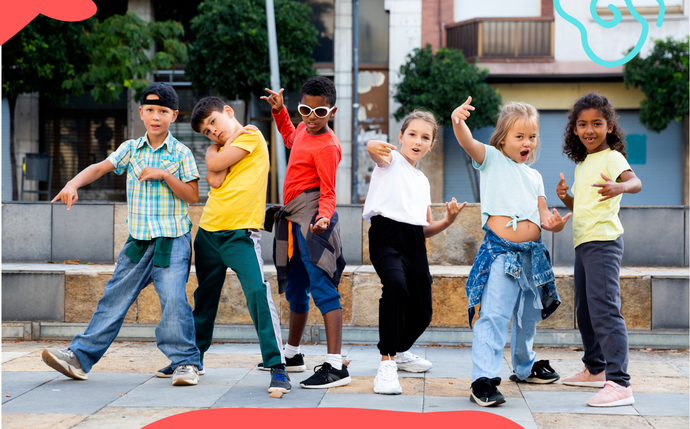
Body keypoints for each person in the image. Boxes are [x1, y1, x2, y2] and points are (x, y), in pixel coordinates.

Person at [43, 82, 202, 386]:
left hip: (172, 242)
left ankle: (185, 363)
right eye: (151, 110)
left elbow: (193, 195)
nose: (156, 116)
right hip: (138, 244)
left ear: (174, 116)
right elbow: (100, 168)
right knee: (113, 298)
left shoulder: (181, 153)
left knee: (173, 300)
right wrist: (73, 184)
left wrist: (166, 175)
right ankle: (79, 358)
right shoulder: (130, 149)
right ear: (141, 112)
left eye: (163, 111)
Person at [154, 96, 290, 394]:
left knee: (257, 293)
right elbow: (214, 179)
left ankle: (277, 365)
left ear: (228, 112)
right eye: (206, 131)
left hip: (240, 234)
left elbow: (215, 168)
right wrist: (216, 153)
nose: (212, 132)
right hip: (208, 232)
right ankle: (193, 358)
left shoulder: (252, 134)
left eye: (214, 122)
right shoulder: (221, 145)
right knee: (205, 298)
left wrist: (216, 157)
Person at [453, 97, 570, 407]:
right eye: (519, 136)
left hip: (533, 257)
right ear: (503, 138)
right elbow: (468, 143)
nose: (526, 143)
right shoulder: (491, 158)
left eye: (532, 137)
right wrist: (457, 121)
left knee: (526, 317)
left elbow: (544, 216)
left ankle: (524, 365)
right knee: (494, 315)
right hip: (502, 255)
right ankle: (484, 378)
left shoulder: (535, 177)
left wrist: (555, 225)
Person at [363, 111, 466, 395]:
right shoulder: (390, 160)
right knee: (396, 286)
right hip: (386, 236)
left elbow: (425, 227)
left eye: (425, 137)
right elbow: (374, 150)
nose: (417, 141)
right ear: (400, 136)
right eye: (412, 134)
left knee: (423, 312)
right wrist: (373, 145)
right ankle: (387, 363)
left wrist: (448, 221)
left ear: (431, 144)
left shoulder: (422, 181)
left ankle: (400, 350)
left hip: (414, 242)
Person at [261, 76, 349, 388]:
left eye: (319, 112)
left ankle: (336, 366)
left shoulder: (328, 146)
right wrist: (281, 112)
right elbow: (290, 138)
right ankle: (293, 354)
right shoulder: (302, 128)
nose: (311, 118)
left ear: (332, 111)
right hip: (291, 219)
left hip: (312, 218)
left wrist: (324, 218)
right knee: (296, 288)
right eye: (305, 110)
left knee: (322, 287)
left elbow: (329, 192)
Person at [557, 92, 642, 407]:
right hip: (584, 242)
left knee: (605, 309)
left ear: (609, 127)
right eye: (582, 124)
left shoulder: (613, 157)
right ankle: (595, 368)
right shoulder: (583, 163)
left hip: (604, 242)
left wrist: (620, 186)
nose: (589, 129)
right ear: (575, 129)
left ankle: (620, 383)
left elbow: (635, 182)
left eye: (596, 123)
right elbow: (581, 204)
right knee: (586, 310)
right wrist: (565, 196)